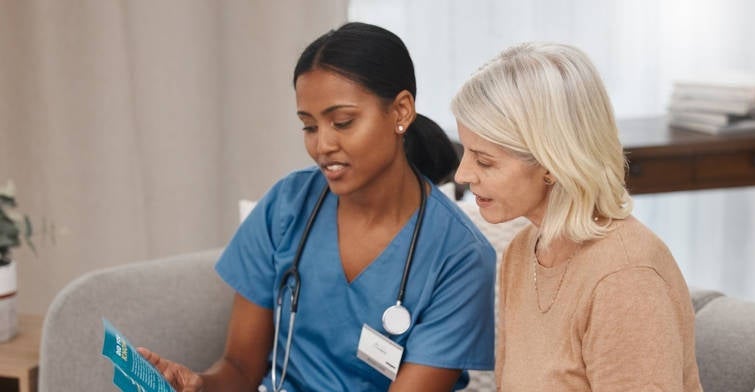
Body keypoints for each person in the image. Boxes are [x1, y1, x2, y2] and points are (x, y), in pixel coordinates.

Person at [137, 22, 496, 392]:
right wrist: (198, 386)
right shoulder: (286, 206)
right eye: (309, 127)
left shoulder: (460, 256)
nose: (322, 145)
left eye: (342, 122)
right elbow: (240, 369)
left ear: (401, 111)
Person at [450, 42, 703, 391]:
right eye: (466, 152)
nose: (462, 174)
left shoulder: (626, 279)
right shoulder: (523, 251)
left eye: (485, 160)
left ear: (552, 164)